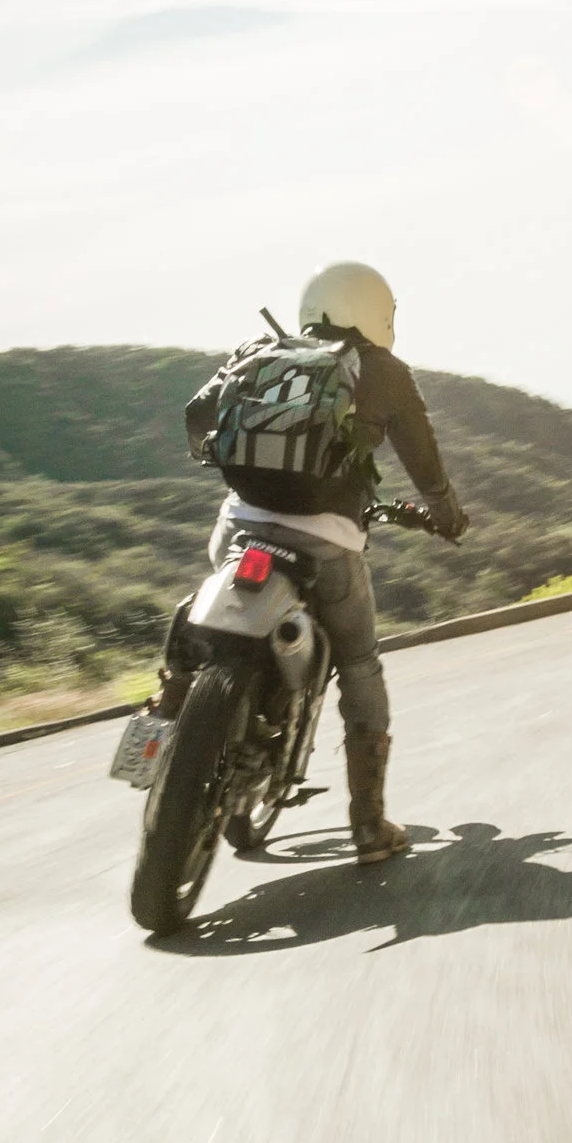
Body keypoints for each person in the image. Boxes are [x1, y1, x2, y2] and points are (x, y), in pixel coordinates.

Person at [182, 259, 468, 862]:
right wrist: (446, 515)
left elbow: (197, 416)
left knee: (198, 611)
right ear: (377, 312)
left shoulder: (260, 349)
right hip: (325, 537)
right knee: (360, 663)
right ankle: (368, 824)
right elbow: (423, 459)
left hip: (239, 526)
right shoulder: (384, 370)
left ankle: (169, 706)